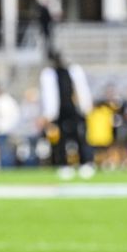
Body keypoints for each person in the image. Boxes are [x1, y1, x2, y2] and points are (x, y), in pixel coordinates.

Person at [41, 51, 95, 179]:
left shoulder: (74, 71)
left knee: (80, 137)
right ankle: (63, 164)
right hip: (60, 113)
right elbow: (49, 96)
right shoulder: (49, 75)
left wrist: (85, 106)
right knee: (61, 140)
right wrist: (49, 114)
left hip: (74, 110)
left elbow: (81, 89)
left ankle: (85, 163)